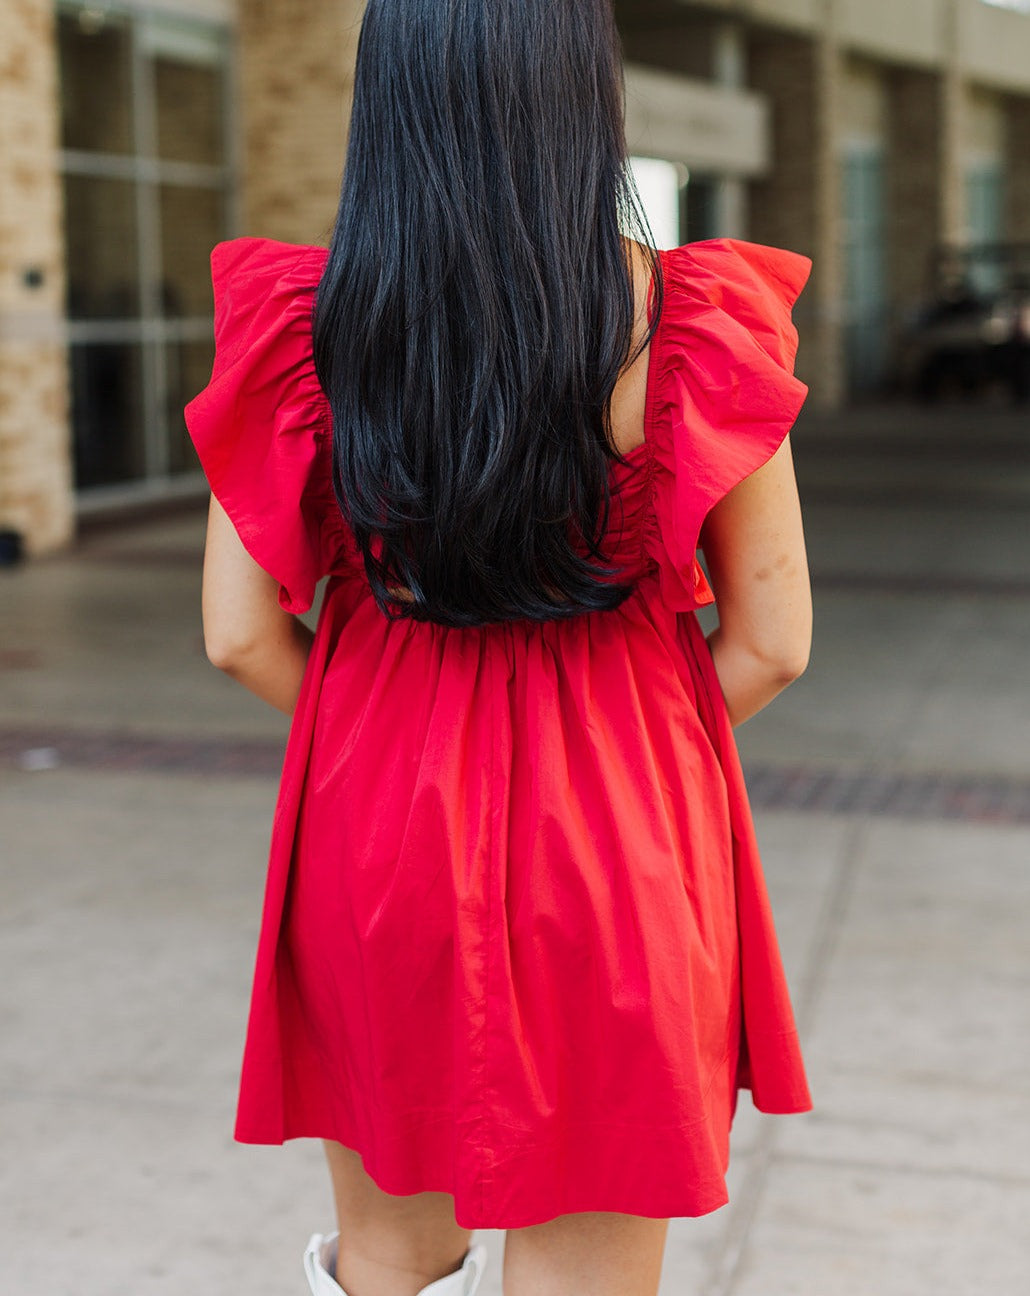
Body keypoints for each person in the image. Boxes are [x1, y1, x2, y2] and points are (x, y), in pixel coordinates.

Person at [184, 1, 814, 1293]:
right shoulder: (693, 320)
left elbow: (238, 635)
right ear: (585, 96)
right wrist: (623, 749)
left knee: (389, 1252)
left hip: (377, 828)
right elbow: (774, 644)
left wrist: (380, 717)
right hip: (622, 841)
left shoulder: (306, 325)